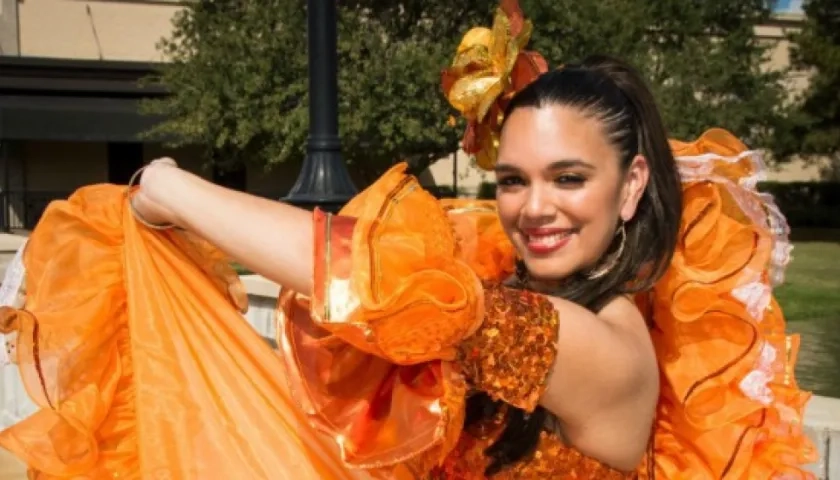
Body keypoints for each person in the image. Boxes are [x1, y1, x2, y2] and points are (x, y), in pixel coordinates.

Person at [0, 0, 815, 478]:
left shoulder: (606, 343)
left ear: (632, 185)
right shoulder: (540, 299)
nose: (536, 208)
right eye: (514, 179)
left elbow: (373, 282)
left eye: (570, 178)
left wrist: (169, 189)